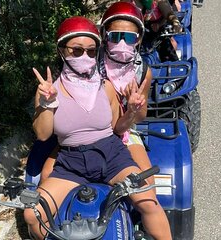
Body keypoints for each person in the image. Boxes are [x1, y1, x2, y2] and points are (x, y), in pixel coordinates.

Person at [25, 16, 172, 240]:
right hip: (71, 162)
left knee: (148, 201)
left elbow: (117, 127)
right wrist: (46, 104)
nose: (85, 56)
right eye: (76, 51)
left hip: (111, 155)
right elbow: (43, 134)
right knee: (32, 214)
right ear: (62, 51)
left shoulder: (107, 87)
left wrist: (131, 112)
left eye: (91, 51)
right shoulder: (48, 91)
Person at [99, 1, 155, 185]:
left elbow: (141, 116)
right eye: (115, 36)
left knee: (147, 184)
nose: (121, 43)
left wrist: (133, 109)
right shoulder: (92, 63)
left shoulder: (142, 71)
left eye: (129, 38)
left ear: (138, 39)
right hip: (93, 129)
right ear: (104, 35)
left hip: (126, 131)